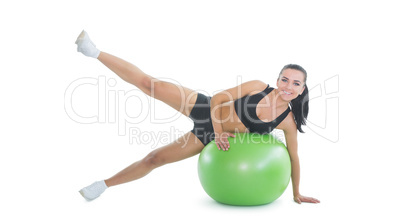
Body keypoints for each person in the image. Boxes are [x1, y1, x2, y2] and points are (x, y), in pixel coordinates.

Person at [75, 30, 320, 204]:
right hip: (206, 109)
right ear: (278, 80)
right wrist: (221, 130)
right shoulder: (258, 86)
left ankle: (103, 185)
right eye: (284, 79)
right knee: (152, 85)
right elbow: (217, 99)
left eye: (295, 83)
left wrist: (296, 193)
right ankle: (94, 52)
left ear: (302, 89)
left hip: (208, 136)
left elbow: (293, 158)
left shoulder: (287, 121)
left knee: (154, 159)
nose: (288, 85)